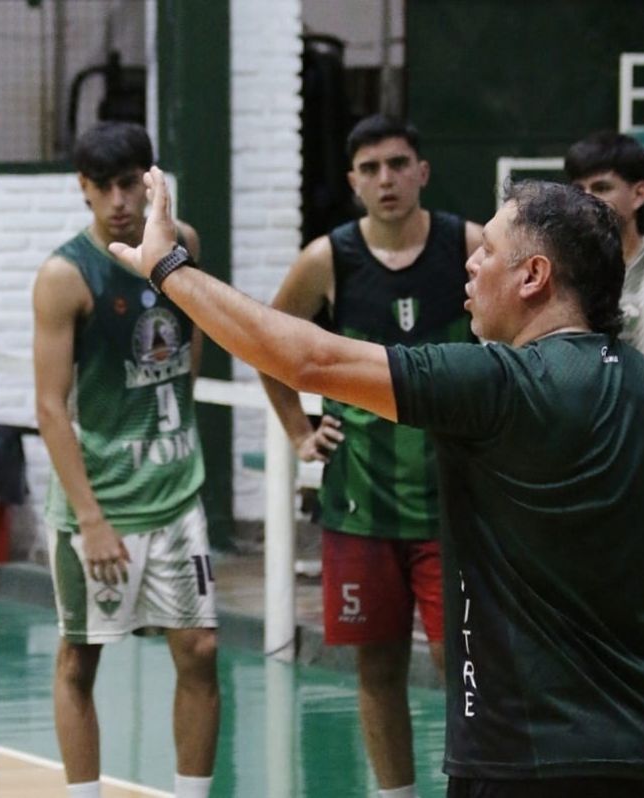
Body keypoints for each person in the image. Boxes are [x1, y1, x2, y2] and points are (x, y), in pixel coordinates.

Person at [113, 167, 644, 798]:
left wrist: (168, 267)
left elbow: (307, 358)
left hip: (521, 761)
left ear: (533, 277)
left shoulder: (495, 385)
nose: (472, 266)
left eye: (489, 252)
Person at [259, 114, 480, 798]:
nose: (386, 179)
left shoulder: (469, 246)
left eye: (397, 163)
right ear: (354, 182)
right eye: (370, 169)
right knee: (376, 670)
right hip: (360, 508)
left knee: (463, 667)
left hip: (453, 506)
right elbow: (270, 345)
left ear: (422, 171)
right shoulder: (329, 259)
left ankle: (476, 786)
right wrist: (299, 432)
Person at [31, 122, 218, 798]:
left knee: (200, 649)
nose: (119, 200)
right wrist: (91, 519)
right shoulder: (65, 275)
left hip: (175, 493)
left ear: (150, 180)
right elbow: (51, 408)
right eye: (103, 186)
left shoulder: (183, 245)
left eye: (130, 183)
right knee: (81, 658)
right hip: (102, 504)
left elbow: (192, 338)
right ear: (83, 188)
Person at [565, 130, 644, 386]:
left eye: (601, 187)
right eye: (578, 189)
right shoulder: (569, 276)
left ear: (639, 194)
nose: (587, 199)